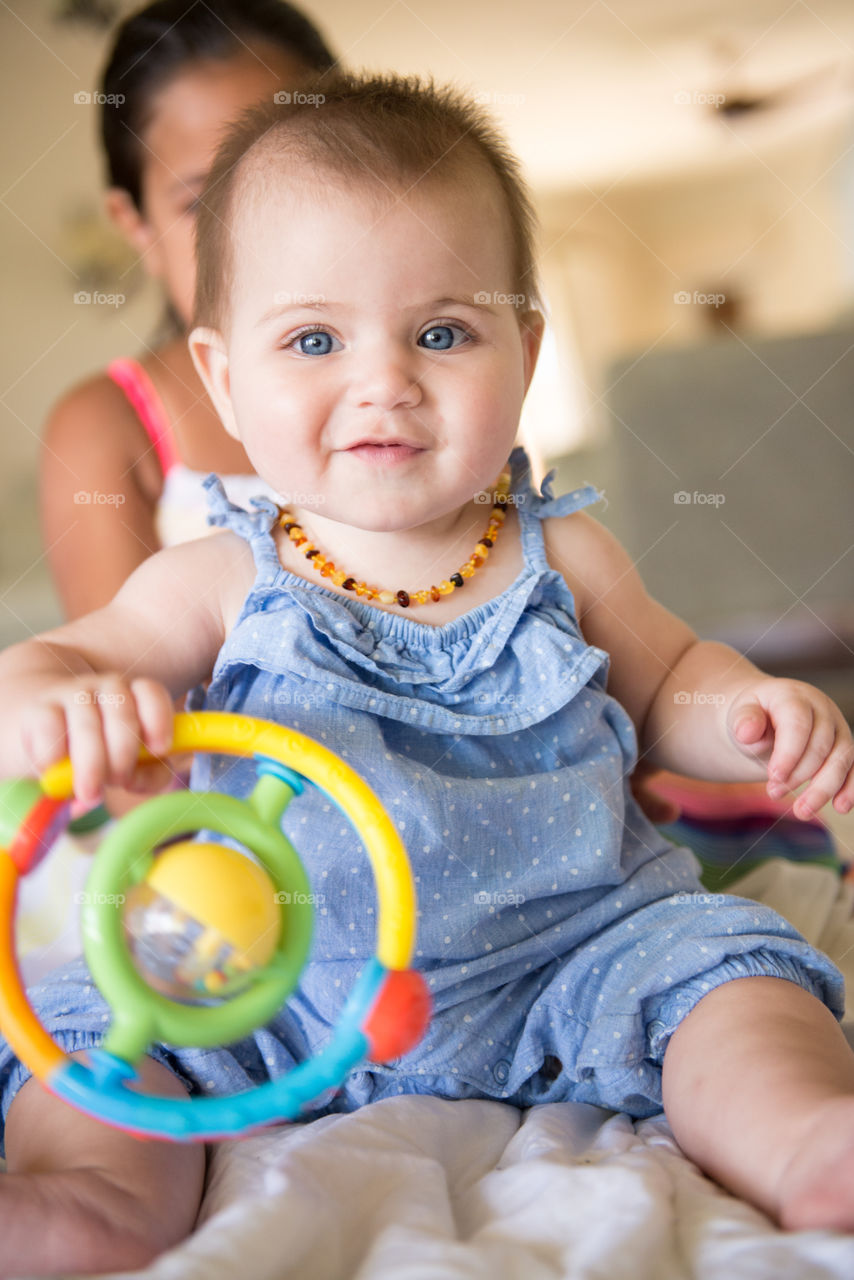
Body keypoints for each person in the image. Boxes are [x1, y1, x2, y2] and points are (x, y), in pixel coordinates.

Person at [1, 74, 854, 1276]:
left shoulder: (560, 550)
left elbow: (669, 686)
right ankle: (77, 1200)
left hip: (571, 951)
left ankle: (809, 1138)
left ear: (525, 348)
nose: (384, 380)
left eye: (441, 331)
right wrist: (63, 697)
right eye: (312, 339)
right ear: (225, 378)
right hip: (268, 985)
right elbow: (53, 664)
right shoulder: (217, 577)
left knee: (728, 983)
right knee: (106, 1043)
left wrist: (749, 714)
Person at [40, 0, 338, 620]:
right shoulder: (107, 428)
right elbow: (125, 690)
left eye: (297, 178)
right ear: (138, 227)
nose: (258, 236)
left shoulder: (433, 372)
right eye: (204, 203)